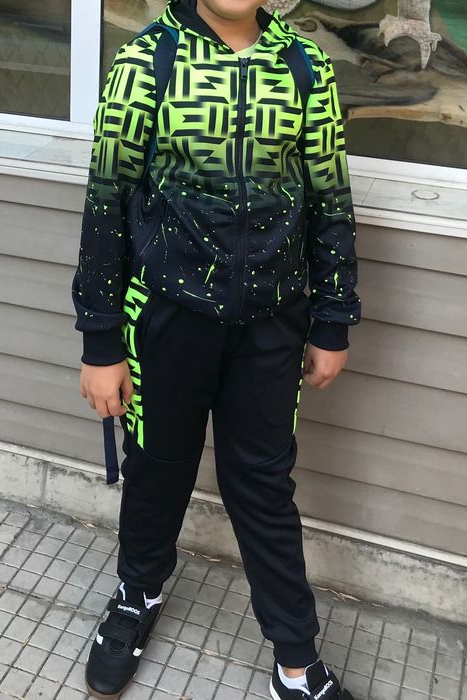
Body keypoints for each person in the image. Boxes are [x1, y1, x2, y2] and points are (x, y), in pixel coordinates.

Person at [72, 0, 360, 697]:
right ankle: (138, 593)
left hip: (272, 325)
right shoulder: (148, 62)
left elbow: (330, 198)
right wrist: (102, 340)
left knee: (264, 485)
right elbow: (107, 199)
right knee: (156, 468)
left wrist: (332, 318)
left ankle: (296, 660)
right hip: (166, 319)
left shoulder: (304, 66)